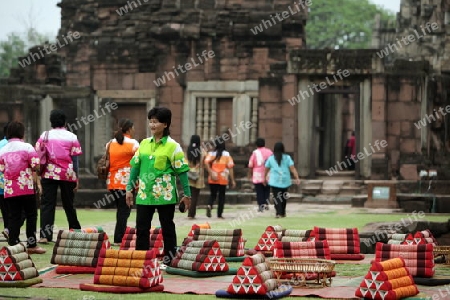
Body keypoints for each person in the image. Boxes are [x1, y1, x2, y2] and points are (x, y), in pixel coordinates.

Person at [125, 107, 191, 265]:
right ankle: (142, 260)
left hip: (165, 195)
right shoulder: (143, 144)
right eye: (151, 121)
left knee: (167, 228)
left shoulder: (173, 146)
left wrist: (187, 194)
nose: (152, 125)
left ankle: (169, 260)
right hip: (144, 195)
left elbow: (182, 171)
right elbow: (135, 167)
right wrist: (129, 188)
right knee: (141, 228)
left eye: (156, 122)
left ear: (166, 124)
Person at [36, 109, 83, 243]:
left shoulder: (45, 135)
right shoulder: (71, 137)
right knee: (69, 203)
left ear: (51, 121)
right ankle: (75, 230)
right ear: (65, 122)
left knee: (47, 204)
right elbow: (75, 160)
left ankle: (45, 235)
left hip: (49, 173)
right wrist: (76, 177)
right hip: (67, 174)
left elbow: (37, 153)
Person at [0, 121, 46, 254]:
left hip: (10, 188)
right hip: (25, 187)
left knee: (14, 216)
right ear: (22, 133)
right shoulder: (27, 147)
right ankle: (32, 244)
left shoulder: (3, 150)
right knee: (31, 214)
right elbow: (36, 166)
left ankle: (13, 243)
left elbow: (2, 169)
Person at [107, 119, 139, 244]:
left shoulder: (110, 143)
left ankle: (119, 236)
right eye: (134, 128)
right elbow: (138, 162)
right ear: (130, 129)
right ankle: (119, 238)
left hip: (113, 181)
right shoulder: (134, 144)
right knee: (124, 211)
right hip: (127, 183)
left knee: (121, 210)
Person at [264, 142, 300, 218]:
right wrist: (297, 177)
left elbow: (266, 169)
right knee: (283, 197)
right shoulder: (287, 158)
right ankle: (282, 212)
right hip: (285, 180)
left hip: (275, 180)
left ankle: (279, 212)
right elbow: (292, 168)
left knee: (277, 197)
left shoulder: (271, 158)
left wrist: (264, 177)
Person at [204, 140, 236, 219]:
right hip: (223, 178)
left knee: (213, 194)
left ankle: (209, 205)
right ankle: (219, 214)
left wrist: (211, 173)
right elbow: (230, 167)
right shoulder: (226, 154)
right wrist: (232, 180)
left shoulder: (211, 153)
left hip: (213, 178)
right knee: (221, 196)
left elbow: (205, 162)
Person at [248, 138, 273, 212]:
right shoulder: (269, 152)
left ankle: (261, 205)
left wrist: (249, 173)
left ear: (256, 145)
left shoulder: (255, 153)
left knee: (259, 190)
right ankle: (266, 203)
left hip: (257, 174)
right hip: (268, 173)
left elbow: (250, 164)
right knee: (267, 190)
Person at [186, 135, 206, 219]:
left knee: (189, 195)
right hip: (198, 176)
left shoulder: (187, 150)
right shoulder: (202, 151)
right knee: (195, 195)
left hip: (189, 174)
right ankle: (192, 213)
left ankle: (189, 212)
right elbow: (204, 161)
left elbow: (185, 162)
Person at [0, 122, 9, 239]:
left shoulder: (0, 144)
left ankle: (8, 229)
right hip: (14, 184)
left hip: (1, 184)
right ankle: (9, 229)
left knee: (4, 209)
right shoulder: (17, 145)